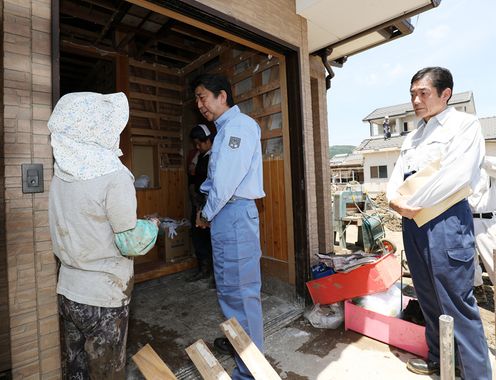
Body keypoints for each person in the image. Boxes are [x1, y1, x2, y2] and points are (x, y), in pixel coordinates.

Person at [387, 67, 492, 379]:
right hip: (412, 222)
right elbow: (397, 175)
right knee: (428, 295)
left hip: (446, 219)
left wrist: (411, 202)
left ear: (445, 94)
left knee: (455, 300)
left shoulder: (464, 125)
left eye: (423, 93)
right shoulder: (414, 135)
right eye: (413, 94)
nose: (416, 100)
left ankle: (474, 373)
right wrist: (395, 200)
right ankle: (441, 360)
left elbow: (457, 174)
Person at [48, 92, 159, 379]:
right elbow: (129, 241)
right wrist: (153, 225)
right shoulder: (114, 176)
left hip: (68, 290)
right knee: (107, 373)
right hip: (103, 297)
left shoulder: (61, 173)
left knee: (76, 370)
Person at [192, 73, 265, 380]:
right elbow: (216, 180)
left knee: (240, 294)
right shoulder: (222, 130)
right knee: (231, 292)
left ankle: (250, 372)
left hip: (232, 212)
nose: (199, 105)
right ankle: (243, 354)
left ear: (222, 96)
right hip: (227, 214)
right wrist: (207, 209)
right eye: (196, 99)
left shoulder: (239, 126)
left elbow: (226, 181)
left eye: (202, 97)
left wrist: (207, 212)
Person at [186, 124, 215, 282]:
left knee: (212, 238)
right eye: (195, 144)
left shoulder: (215, 155)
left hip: (209, 203)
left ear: (208, 140)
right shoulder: (200, 156)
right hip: (198, 202)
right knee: (198, 236)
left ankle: (215, 274)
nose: (198, 147)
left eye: (200, 143)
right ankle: (204, 269)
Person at [469, 156, 496, 303]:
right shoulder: (464, 170)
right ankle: (478, 289)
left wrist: (480, 158)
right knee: (470, 259)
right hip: (466, 219)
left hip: (487, 221)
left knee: (492, 260)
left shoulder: (486, 165)